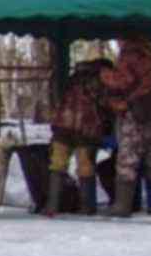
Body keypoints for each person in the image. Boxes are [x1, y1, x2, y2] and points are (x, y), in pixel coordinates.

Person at [101, 34, 151, 216]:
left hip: (133, 112)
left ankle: (122, 205)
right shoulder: (149, 54)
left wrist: (106, 76)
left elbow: (123, 80)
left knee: (127, 158)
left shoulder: (129, 54)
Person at [45, 57, 112, 217]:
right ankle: (87, 207)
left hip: (63, 126)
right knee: (86, 167)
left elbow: (57, 98)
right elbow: (105, 103)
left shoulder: (72, 78)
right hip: (86, 128)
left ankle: (52, 206)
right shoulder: (98, 81)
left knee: (57, 165)